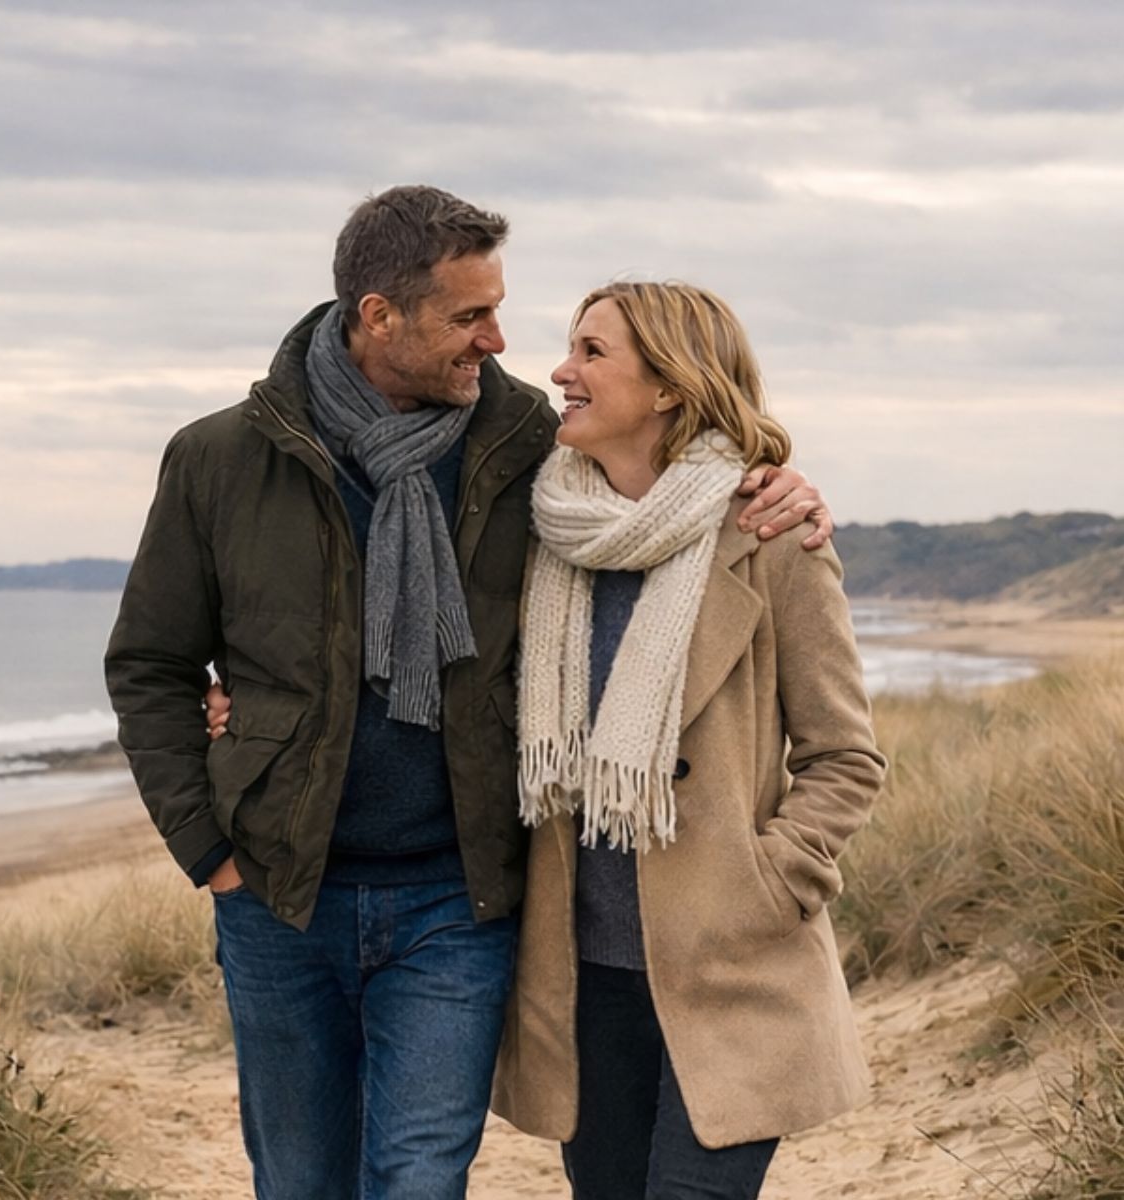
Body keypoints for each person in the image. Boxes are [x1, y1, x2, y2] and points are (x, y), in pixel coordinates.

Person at [106, 186, 832, 1200]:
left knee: (418, 1178)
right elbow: (150, 667)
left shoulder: (528, 446)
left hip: (457, 899)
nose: (499, 341)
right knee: (302, 1181)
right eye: (468, 316)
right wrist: (209, 849)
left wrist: (776, 485)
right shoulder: (222, 460)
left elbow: (666, 492)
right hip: (276, 892)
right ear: (378, 316)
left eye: (501, 310)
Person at [490, 281, 887, 1199]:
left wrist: (772, 881)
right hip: (585, 978)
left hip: (734, 966)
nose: (562, 371)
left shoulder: (769, 534)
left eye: (592, 352)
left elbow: (844, 757)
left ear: (670, 387)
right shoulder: (545, 533)